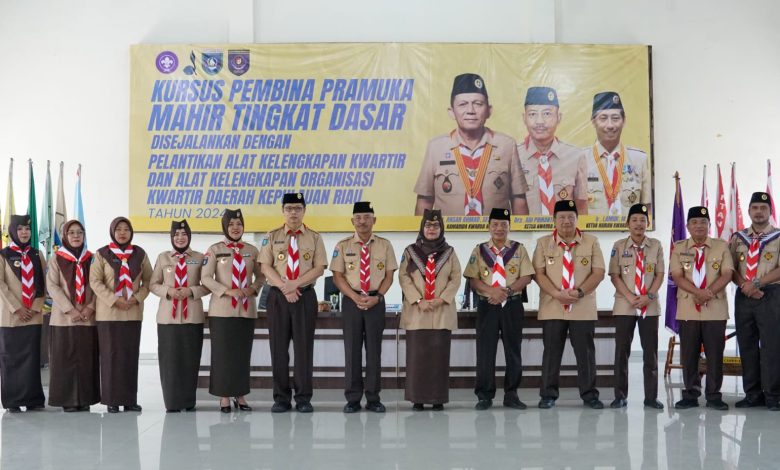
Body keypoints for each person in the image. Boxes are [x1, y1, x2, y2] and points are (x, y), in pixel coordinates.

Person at [414, 73, 529, 216]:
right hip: (449, 231)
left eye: (478, 104)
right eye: (463, 104)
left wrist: (520, 230)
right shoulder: (436, 148)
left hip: (495, 230)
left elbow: (519, 199)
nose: (470, 111)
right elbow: (425, 200)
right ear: (451, 112)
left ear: (489, 111)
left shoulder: (506, 146)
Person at [532, 200, 605, 409]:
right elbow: (538, 274)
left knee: (585, 354)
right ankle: (548, 395)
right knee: (551, 353)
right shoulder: (543, 243)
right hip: (552, 307)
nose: (566, 221)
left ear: (577, 219)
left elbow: (599, 272)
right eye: (562, 217)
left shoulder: (591, 242)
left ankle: (589, 395)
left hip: (582, 307)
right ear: (554, 220)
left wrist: (579, 292)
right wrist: (557, 294)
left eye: (571, 217)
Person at [259, 193, 327, 413]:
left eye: (298, 208)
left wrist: (295, 284)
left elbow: (319, 268)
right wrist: (284, 287)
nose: (293, 212)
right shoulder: (272, 236)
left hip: (305, 296)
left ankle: (303, 398)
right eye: (289, 208)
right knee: (278, 348)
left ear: (304, 210)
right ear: (283, 211)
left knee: (303, 349)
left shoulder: (314, 237)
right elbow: (265, 266)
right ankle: (281, 398)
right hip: (278, 297)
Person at [463, 207, 533, 410]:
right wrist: (492, 291)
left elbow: (527, 277)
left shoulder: (519, 249)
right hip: (487, 306)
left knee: (513, 350)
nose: (499, 228)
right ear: (489, 227)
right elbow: (473, 279)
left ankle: (511, 394)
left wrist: (507, 292)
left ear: (509, 227)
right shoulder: (479, 250)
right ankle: (484, 396)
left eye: (504, 224)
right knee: (485, 351)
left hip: (512, 305)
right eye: (495, 224)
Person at [330, 201, 397, 413]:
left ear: (374, 220)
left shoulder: (385, 245)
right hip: (352, 301)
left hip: (376, 301)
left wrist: (378, 297)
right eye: (358, 218)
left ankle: (373, 398)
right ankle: (352, 399)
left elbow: (389, 276)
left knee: (374, 351)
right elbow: (337, 277)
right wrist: (354, 296)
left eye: (367, 217)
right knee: (352, 351)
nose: (362, 221)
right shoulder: (343, 245)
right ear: (352, 221)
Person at [670, 206, 733, 410]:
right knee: (689, 355)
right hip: (688, 308)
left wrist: (708, 292)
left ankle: (714, 396)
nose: (699, 226)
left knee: (715, 355)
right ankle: (691, 394)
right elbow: (677, 276)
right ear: (688, 226)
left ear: (709, 225)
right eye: (694, 222)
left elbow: (727, 273)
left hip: (715, 308)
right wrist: (698, 292)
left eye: (703, 222)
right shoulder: (679, 247)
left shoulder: (721, 246)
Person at [201, 209, 264, 413]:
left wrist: (253, 288)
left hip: (246, 310)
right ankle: (224, 396)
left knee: (242, 355)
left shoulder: (252, 250)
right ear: (224, 227)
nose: (235, 228)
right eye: (231, 224)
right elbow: (206, 277)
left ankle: (241, 394)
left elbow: (261, 276)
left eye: (239, 224)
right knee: (222, 354)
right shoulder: (214, 250)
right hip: (222, 311)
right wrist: (227, 291)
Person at [398, 209, 461, 410]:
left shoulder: (449, 252)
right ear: (422, 228)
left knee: (438, 359)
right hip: (417, 312)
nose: (431, 229)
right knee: (417, 359)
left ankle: (437, 399)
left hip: (442, 312)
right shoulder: (410, 251)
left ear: (441, 228)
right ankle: (417, 398)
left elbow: (456, 278)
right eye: (428, 225)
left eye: (435, 226)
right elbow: (403, 277)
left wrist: (442, 299)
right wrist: (418, 300)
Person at [90, 217, 152, 413]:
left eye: (126, 229)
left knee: (129, 357)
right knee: (110, 358)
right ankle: (112, 400)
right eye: (118, 229)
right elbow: (95, 281)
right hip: (108, 314)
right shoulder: (102, 254)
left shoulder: (140, 254)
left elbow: (149, 281)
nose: (123, 233)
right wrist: (114, 299)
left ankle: (129, 400)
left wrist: (137, 298)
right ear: (112, 232)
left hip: (132, 313)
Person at [607, 203, 664, 409]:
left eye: (643, 220)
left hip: (649, 305)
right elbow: (615, 276)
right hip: (625, 304)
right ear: (628, 223)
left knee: (651, 353)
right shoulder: (618, 246)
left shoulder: (656, 245)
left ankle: (651, 397)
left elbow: (659, 274)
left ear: (647, 223)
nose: (639, 224)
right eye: (635, 220)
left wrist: (649, 296)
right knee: (621, 352)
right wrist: (630, 297)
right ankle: (620, 396)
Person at [150, 219, 211, 412]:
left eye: (184, 234)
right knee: (169, 361)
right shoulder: (163, 258)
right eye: (176, 234)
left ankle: (188, 401)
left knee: (190, 360)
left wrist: (191, 291)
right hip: (168, 318)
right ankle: (172, 402)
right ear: (171, 237)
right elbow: (153, 284)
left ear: (189, 236)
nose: (180, 237)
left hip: (192, 316)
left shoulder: (200, 257)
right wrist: (168, 291)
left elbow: (208, 285)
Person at [729, 192, 780, 410]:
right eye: (755, 208)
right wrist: (745, 286)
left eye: (763, 208)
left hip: (771, 295)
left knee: (772, 346)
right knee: (747, 345)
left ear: (770, 211)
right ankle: (752, 394)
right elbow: (730, 268)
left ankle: (773, 395)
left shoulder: (778, 236)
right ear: (749, 211)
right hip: (744, 296)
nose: (759, 212)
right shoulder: (738, 238)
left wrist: (756, 283)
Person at [46, 219, 99, 412]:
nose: (76, 236)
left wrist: (90, 307)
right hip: (64, 318)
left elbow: (99, 285)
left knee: (86, 360)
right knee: (64, 361)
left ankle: (85, 398)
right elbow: (52, 286)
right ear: (65, 236)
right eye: (72, 233)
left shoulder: (93, 258)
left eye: (79, 232)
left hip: (87, 318)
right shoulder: (56, 258)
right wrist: (70, 309)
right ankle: (67, 400)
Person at [0, 215, 46, 412]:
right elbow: (1, 285)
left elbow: (43, 284)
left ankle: (33, 399)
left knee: (32, 359)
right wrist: (16, 308)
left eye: (27, 229)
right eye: (19, 229)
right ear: (12, 231)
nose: (24, 232)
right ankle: (13, 401)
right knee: (11, 359)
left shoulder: (37, 254)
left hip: (33, 315)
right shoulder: (4, 255)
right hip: (12, 316)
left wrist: (35, 307)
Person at [517, 86, 588, 215]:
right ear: (524, 118)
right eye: (532, 114)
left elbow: (581, 208)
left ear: (559, 117)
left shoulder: (575, 157)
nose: (539, 121)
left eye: (547, 114)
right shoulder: (513, 157)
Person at [585, 91, 652, 216]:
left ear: (624, 120)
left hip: (628, 228)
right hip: (593, 228)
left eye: (615, 118)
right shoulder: (580, 160)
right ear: (593, 121)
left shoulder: (640, 160)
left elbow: (647, 208)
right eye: (603, 118)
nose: (610, 125)